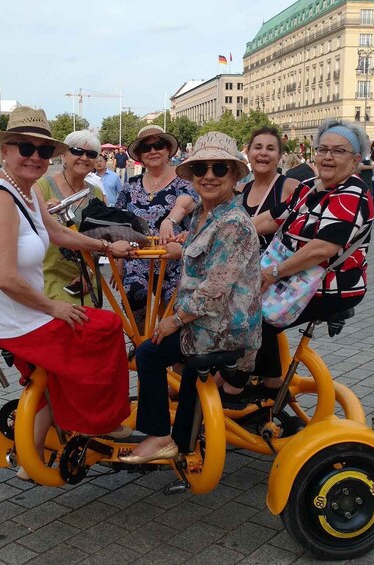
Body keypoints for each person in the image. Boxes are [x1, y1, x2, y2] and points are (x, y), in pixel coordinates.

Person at [0, 106, 134, 479]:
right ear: (5, 151)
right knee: (104, 327)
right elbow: (5, 278)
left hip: (20, 311)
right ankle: (97, 420)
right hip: (9, 318)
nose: (35, 157)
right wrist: (54, 308)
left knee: (77, 345)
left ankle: (34, 451)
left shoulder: (24, 193)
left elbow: (58, 234)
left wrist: (106, 247)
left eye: (43, 151)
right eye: (26, 148)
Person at [122, 132, 261, 462]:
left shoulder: (232, 222)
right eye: (201, 169)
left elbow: (214, 290)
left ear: (235, 175)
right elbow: (207, 261)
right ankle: (182, 439)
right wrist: (184, 248)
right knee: (162, 352)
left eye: (219, 168)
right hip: (208, 324)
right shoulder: (205, 212)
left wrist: (175, 321)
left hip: (223, 329)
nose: (209, 176)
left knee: (148, 354)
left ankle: (159, 437)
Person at [251, 120, 374, 393]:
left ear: (355, 160)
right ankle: (266, 382)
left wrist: (273, 273)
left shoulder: (352, 194)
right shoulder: (310, 185)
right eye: (323, 150)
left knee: (251, 313)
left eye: (338, 151)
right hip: (297, 276)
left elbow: (323, 248)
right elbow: (273, 218)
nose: (328, 157)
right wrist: (230, 231)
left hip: (330, 284)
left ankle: (250, 387)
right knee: (248, 305)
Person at [114, 126, 198, 317]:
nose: (153, 151)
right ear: (140, 156)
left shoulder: (184, 180)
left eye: (158, 145)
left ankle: (163, 345)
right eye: (146, 148)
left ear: (168, 150)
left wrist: (168, 221)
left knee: (174, 308)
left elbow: (184, 204)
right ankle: (139, 343)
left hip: (174, 257)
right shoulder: (131, 185)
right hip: (138, 257)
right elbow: (119, 221)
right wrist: (119, 257)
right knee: (133, 296)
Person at [36, 130, 106, 304]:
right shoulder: (42, 186)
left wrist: (89, 272)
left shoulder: (95, 192)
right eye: (76, 151)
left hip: (85, 277)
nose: (84, 157)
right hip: (47, 275)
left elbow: (102, 235)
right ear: (64, 154)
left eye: (91, 154)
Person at [241, 127, 302, 248]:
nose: (263, 153)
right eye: (258, 147)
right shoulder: (241, 190)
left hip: (275, 265)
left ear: (279, 156)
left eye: (270, 148)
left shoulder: (291, 187)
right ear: (248, 153)